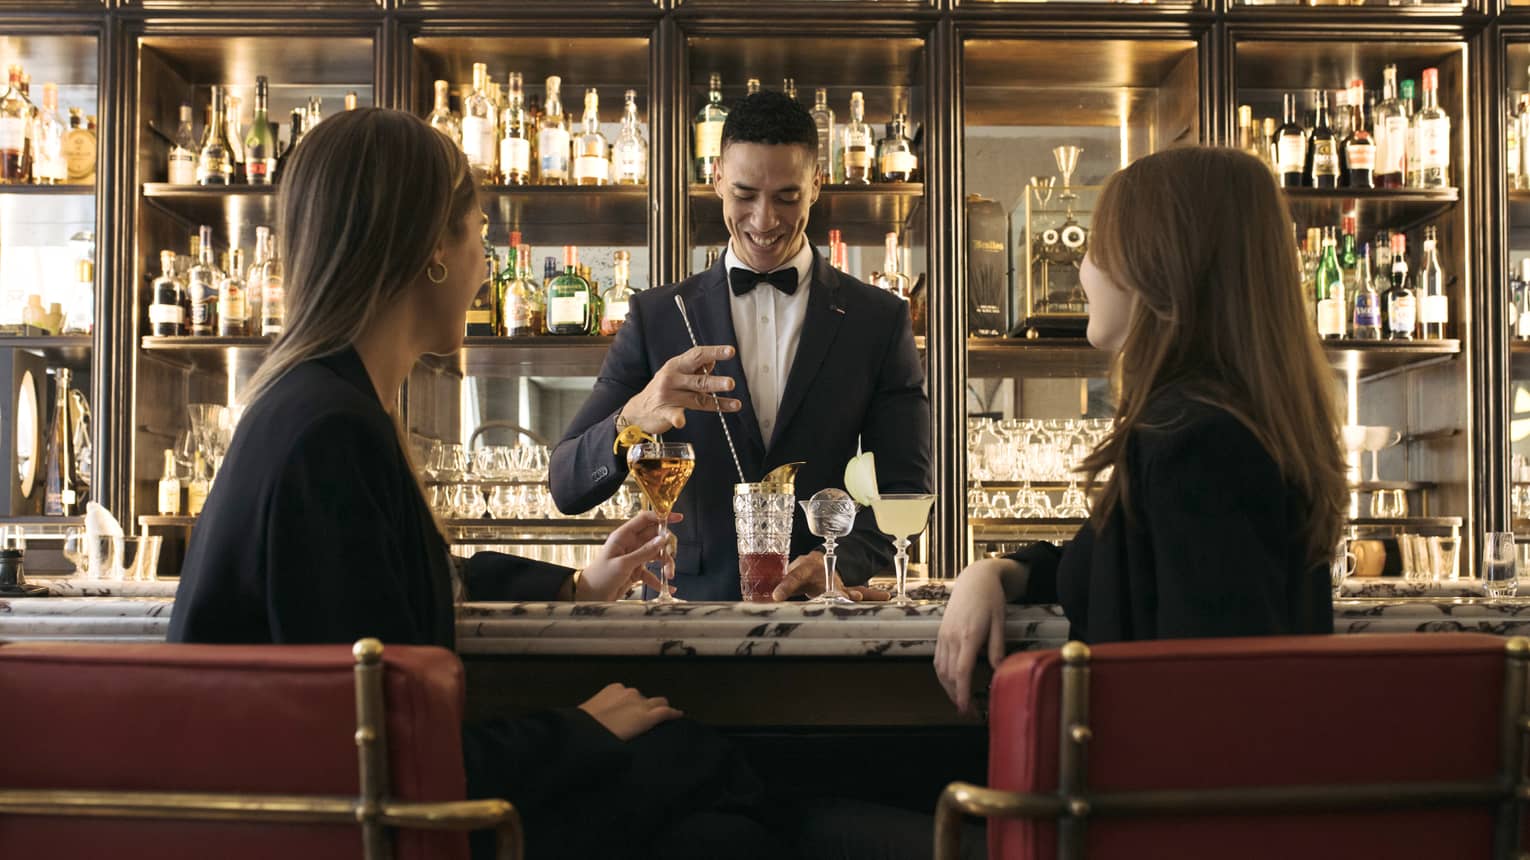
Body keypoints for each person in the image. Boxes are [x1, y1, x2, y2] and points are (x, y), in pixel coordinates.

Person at [166, 108, 782, 860]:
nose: (486, 266)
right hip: (369, 831)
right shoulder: (330, 431)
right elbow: (377, 746)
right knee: (706, 770)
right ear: (432, 249)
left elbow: (402, 580)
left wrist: (576, 587)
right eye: (479, 236)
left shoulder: (315, 406)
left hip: (332, 815)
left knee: (715, 822)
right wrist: (580, 728)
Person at [935, 146, 1348, 715]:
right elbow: (1106, 562)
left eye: (1099, 248)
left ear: (1160, 266)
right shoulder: (1214, 426)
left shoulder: (1199, 447)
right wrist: (995, 572)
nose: (1080, 269)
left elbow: (1216, 713)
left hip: (1141, 798)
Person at [549, 90, 931, 602]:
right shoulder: (658, 315)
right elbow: (567, 485)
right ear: (716, 181)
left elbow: (905, 488)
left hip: (821, 621)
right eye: (745, 194)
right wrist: (635, 414)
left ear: (818, 184)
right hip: (682, 621)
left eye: (787, 197)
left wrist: (838, 561)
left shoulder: (878, 319)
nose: (764, 219)